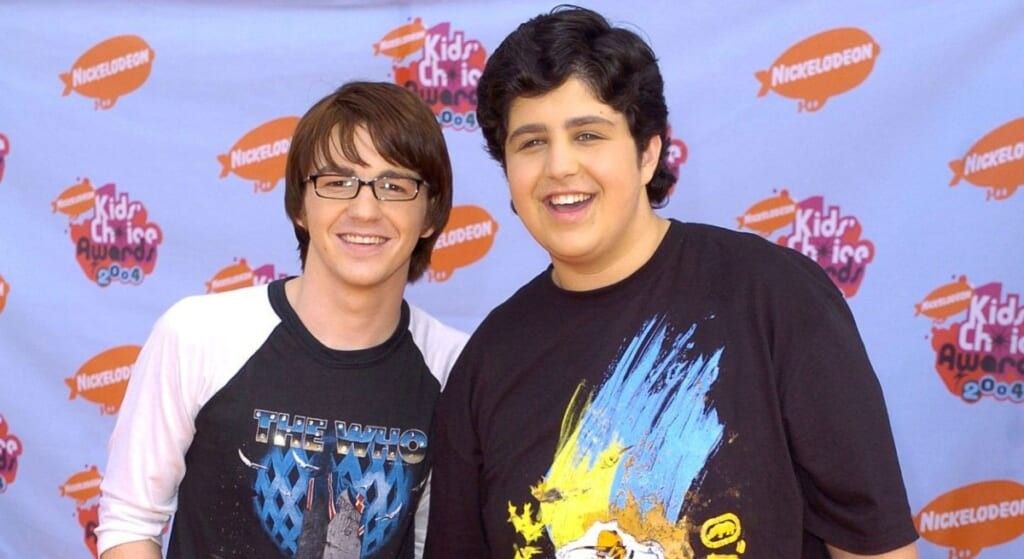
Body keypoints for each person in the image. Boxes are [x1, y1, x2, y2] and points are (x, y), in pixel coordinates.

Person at [425, 7, 919, 559]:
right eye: (532, 142)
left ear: (647, 153)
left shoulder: (773, 297)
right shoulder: (486, 365)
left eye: (588, 134)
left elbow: (875, 547)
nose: (560, 166)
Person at [97, 81, 468, 559]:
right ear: (299, 205)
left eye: (394, 186)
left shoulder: (455, 368)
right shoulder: (198, 335)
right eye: (337, 182)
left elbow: (430, 542)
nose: (365, 209)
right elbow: (129, 521)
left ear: (431, 214)